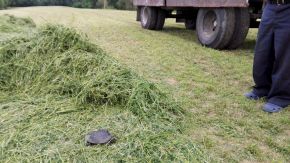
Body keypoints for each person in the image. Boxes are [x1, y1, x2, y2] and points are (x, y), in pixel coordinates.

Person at [245, 0, 290, 113]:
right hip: (270, 6)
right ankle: (262, 88)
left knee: (285, 54)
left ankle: (281, 96)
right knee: (263, 49)